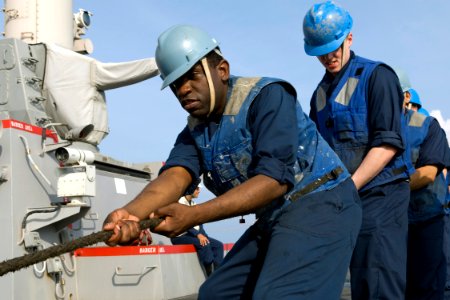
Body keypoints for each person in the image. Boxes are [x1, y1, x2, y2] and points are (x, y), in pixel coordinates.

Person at [103, 24, 362, 299]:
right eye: (176, 84)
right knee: (215, 294)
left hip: (324, 203)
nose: (184, 89)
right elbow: (175, 176)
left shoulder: (268, 97)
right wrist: (131, 214)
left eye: (192, 77)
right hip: (276, 215)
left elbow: (273, 181)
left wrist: (195, 215)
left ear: (222, 70)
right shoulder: (195, 131)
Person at [303, 2, 414, 299]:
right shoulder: (319, 96)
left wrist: (348, 188)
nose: (328, 57)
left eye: (333, 47)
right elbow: (317, 154)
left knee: (379, 280)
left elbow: (388, 143)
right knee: (361, 283)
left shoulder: (377, 77)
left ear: (348, 38)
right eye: (320, 51)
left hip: (382, 193)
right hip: (347, 199)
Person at [400, 82, 450, 299]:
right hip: (426, 214)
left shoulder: (427, 125)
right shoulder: (424, 126)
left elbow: (433, 173)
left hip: (426, 216)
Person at [170, 183, 224, 276]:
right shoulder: (179, 203)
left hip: (193, 235)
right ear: (190, 189)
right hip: (180, 236)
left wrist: (203, 236)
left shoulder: (194, 204)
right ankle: (209, 275)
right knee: (205, 247)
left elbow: (199, 224)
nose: (199, 191)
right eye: (197, 188)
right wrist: (198, 235)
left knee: (218, 245)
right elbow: (183, 223)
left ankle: (217, 275)